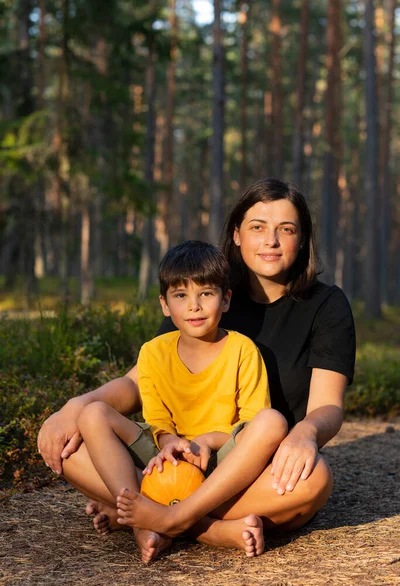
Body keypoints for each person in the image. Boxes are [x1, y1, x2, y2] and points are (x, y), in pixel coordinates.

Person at [37, 178, 355, 559]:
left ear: (301, 240)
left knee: (314, 481)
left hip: (248, 464)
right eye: (257, 227)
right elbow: (138, 382)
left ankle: (157, 519)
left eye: (285, 230)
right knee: (70, 448)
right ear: (236, 234)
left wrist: (304, 434)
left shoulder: (326, 305)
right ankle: (209, 528)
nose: (270, 241)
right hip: (173, 455)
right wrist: (75, 406)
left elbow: (328, 406)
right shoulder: (205, 288)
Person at [62, 240, 281, 562]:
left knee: (272, 421)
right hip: (166, 457)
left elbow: (250, 423)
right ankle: (140, 514)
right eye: (181, 296)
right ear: (165, 305)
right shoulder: (153, 352)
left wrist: (205, 441)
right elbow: (157, 421)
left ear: (225, 300)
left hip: (219, 463)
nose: (194, 306)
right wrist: (170, 442)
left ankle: (159, 522)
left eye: (206, 294)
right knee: (93, 413)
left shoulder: (243, 350)